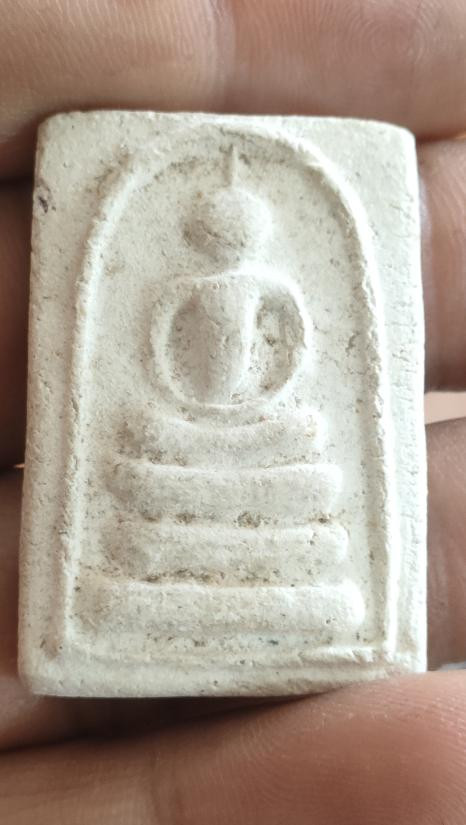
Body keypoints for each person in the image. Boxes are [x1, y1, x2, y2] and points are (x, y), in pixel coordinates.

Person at [0, 1, 465, 821]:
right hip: (187, 420)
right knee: (148, 457)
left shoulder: (271, 284)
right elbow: (155, 349)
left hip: (258, 422)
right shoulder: (185, 284)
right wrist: (186, 401)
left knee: (308, 454)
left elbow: (294, 351)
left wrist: (261, 399)